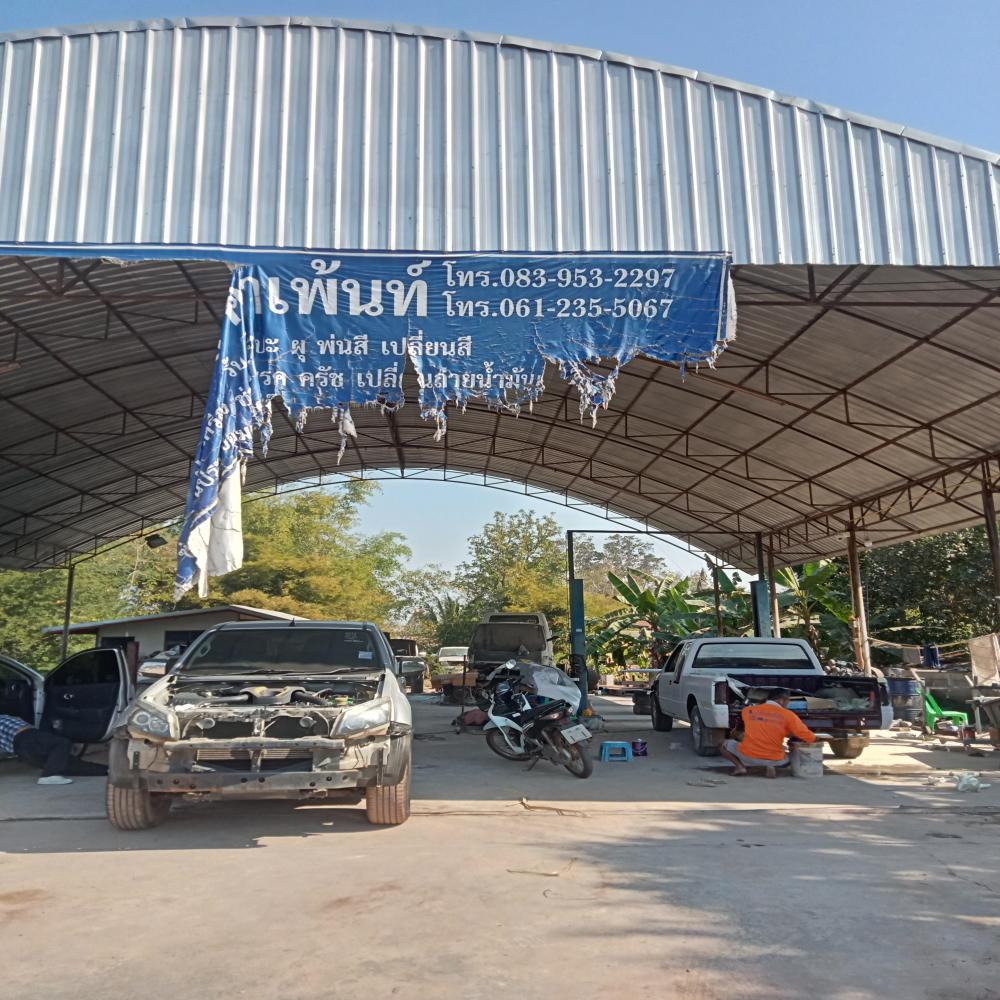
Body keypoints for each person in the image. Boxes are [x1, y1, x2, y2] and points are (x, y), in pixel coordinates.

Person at [720, 688, 816, 778]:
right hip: (778, 761)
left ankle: (740, 767)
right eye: (788, 700)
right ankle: (770, 765)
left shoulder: (747, 711)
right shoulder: (789, 715)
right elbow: (809, 737)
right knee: (791, 748)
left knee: (724, 744)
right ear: (781, 700)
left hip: (748, 757)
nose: (788, 703)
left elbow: (756, 726)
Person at [0, 713, 108, 785]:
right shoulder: (4, 717)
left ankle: (107, 770)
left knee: (66, 764)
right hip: (26, 736)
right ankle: (48, 775)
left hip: (19, 750)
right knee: (62, 743)